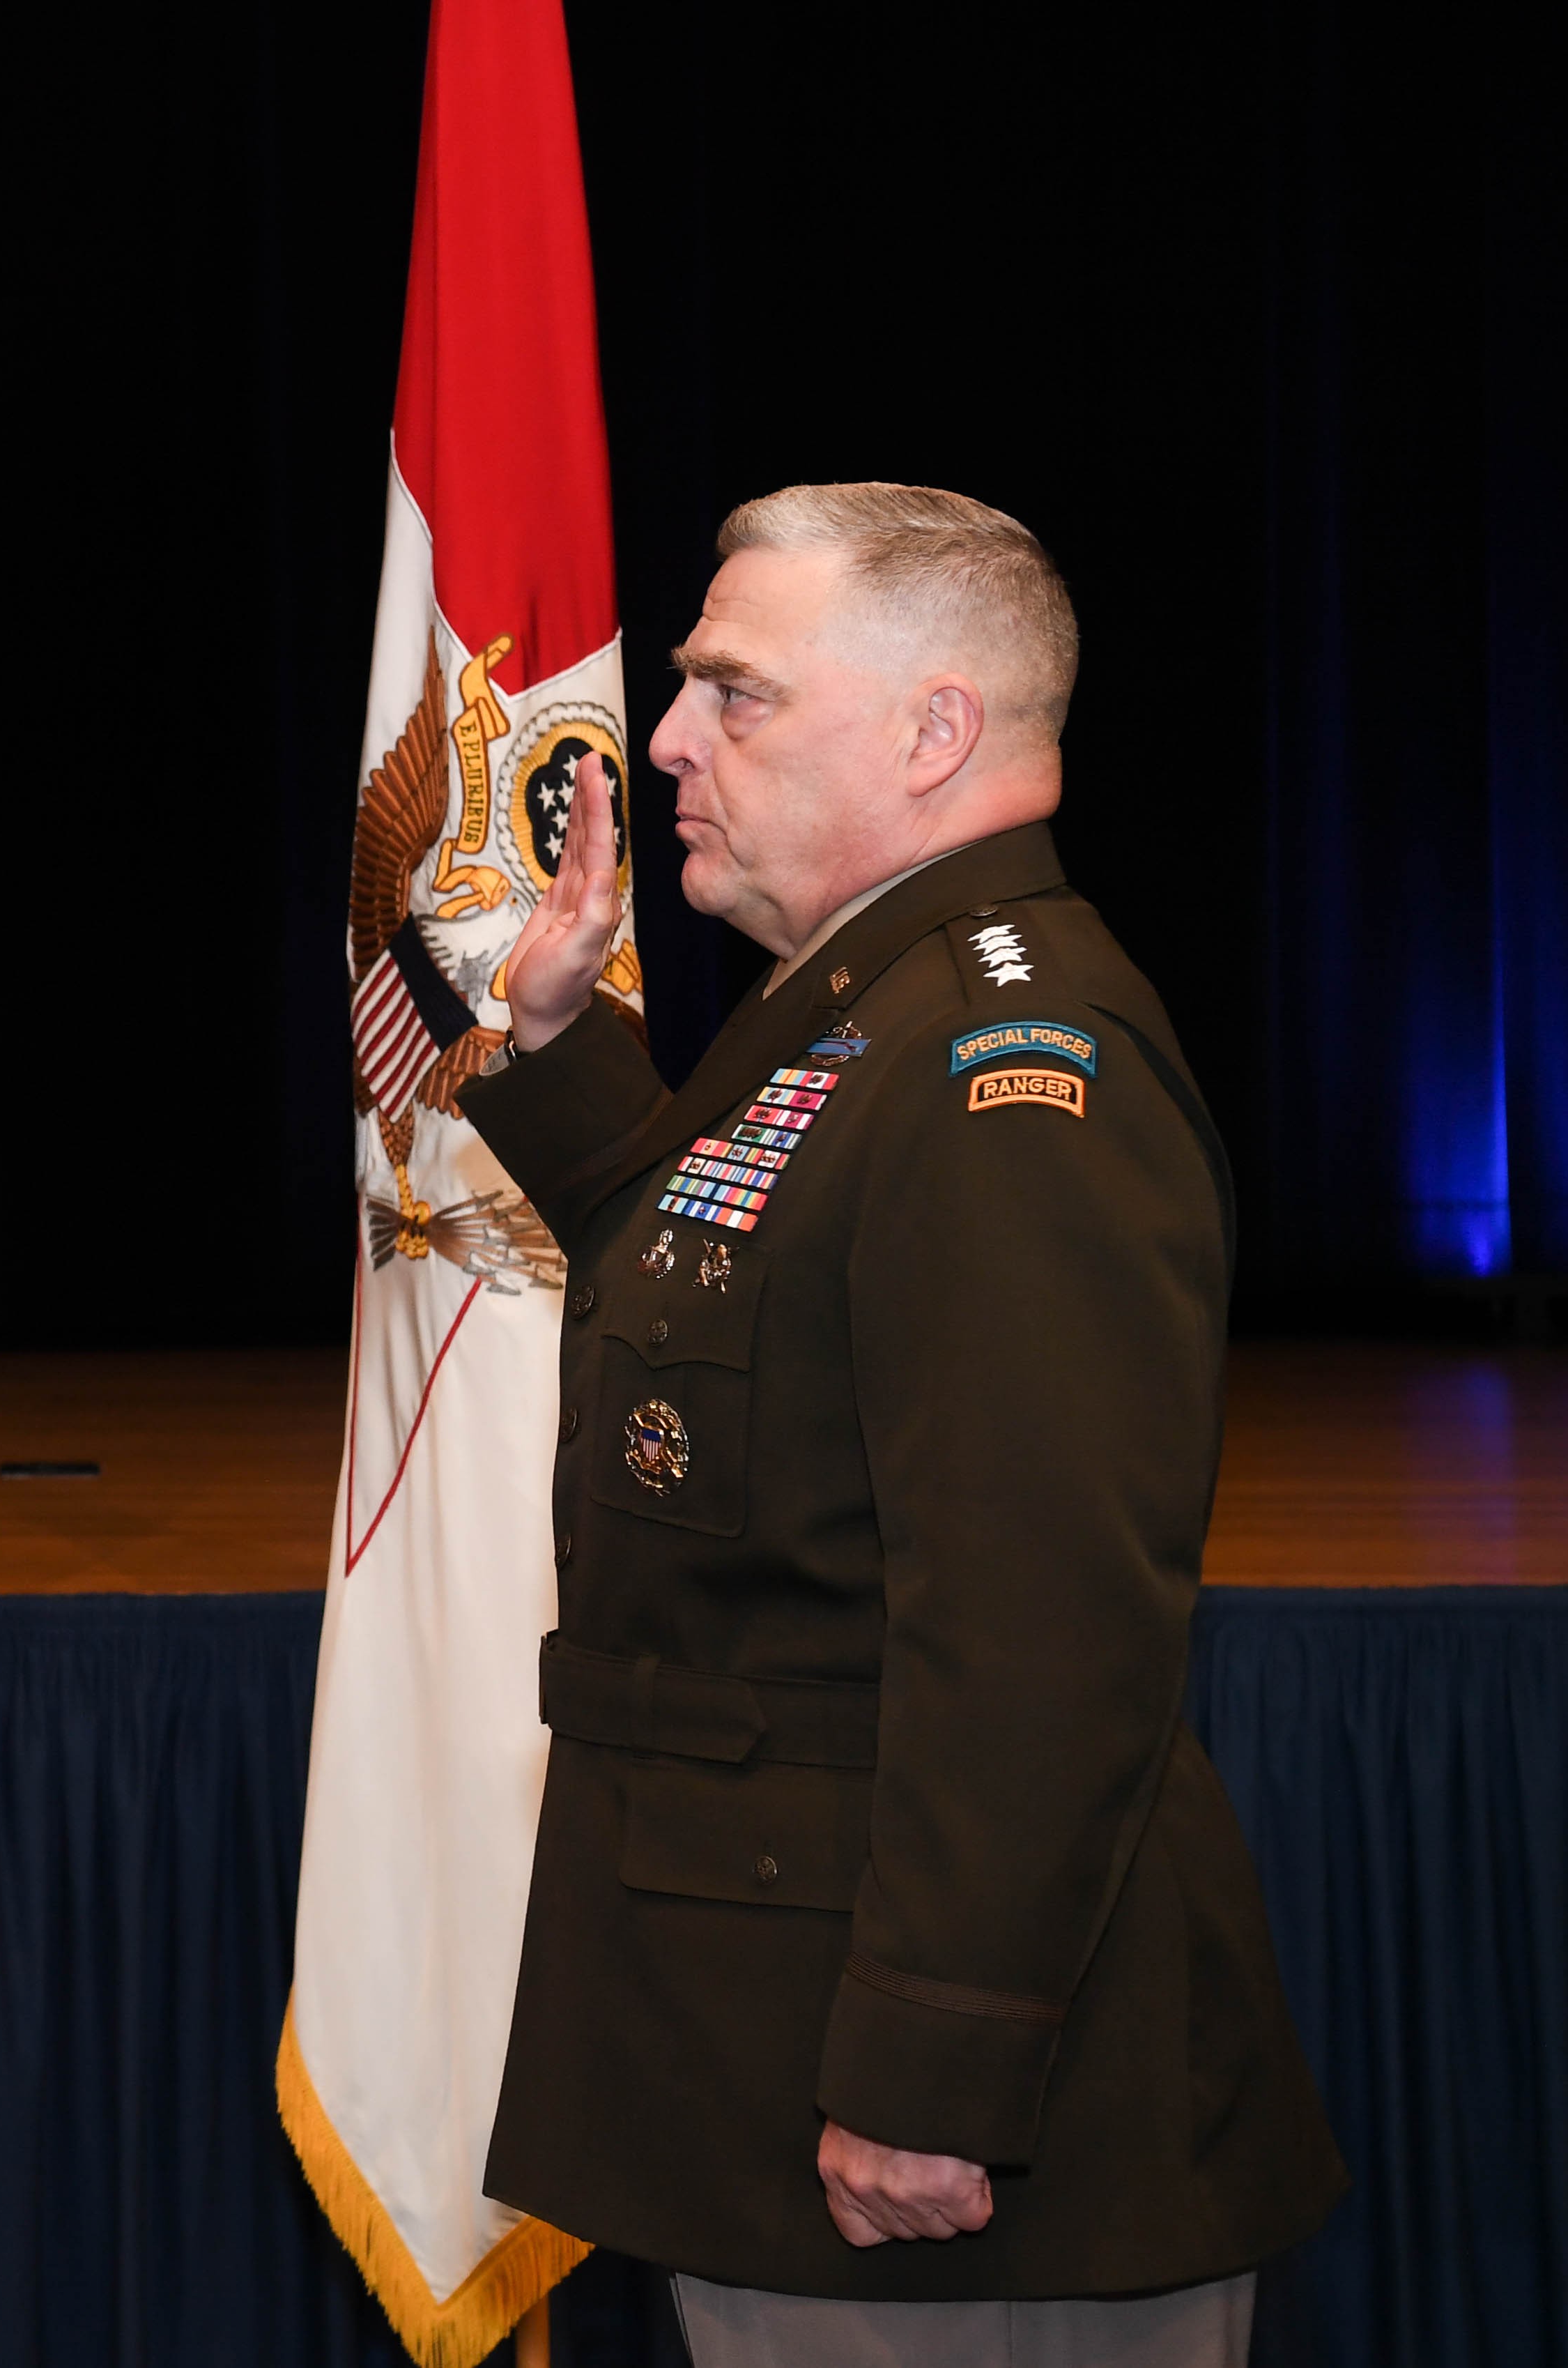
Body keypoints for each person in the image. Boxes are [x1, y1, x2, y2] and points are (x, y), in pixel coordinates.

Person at [463, 484, 1344, 2364]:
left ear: (935, 731)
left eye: (737, 692)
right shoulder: (868, 1013)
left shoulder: (1010, 1071)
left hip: (947, 2160)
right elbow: (732, 1312)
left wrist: (940, 2060)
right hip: (783, 2052)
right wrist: (556, 1047)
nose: (672, 738)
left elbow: (1041, 1631)